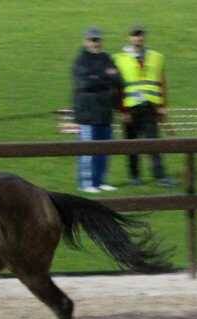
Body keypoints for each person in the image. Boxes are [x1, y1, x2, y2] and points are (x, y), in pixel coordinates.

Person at [112, 25, 177, 188]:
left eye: (140, 35)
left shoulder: (156, 57)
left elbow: (162, 83)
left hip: (150, 106)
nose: (138, 38)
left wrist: (162, 106)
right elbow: (116, 87)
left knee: (154, 144)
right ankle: (134, 177)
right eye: (135, 35)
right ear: (129, 38)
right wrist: (121, 110)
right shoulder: (118, 59)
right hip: (129, 108)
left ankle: (160, 176)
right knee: (131, 145)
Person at [72, 27, 124, 193]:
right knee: (87, 150)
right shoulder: (80, 61)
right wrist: (105, 77)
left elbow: (119, 80)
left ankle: (100, 181)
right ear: (86, 41)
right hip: (87, 112)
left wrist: (98, 77)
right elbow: (83, 84)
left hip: (105, 111)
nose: (95, 43)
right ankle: (86, 183)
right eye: (92, 40)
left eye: (97, 40)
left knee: (104, 149)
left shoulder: (107, 58)